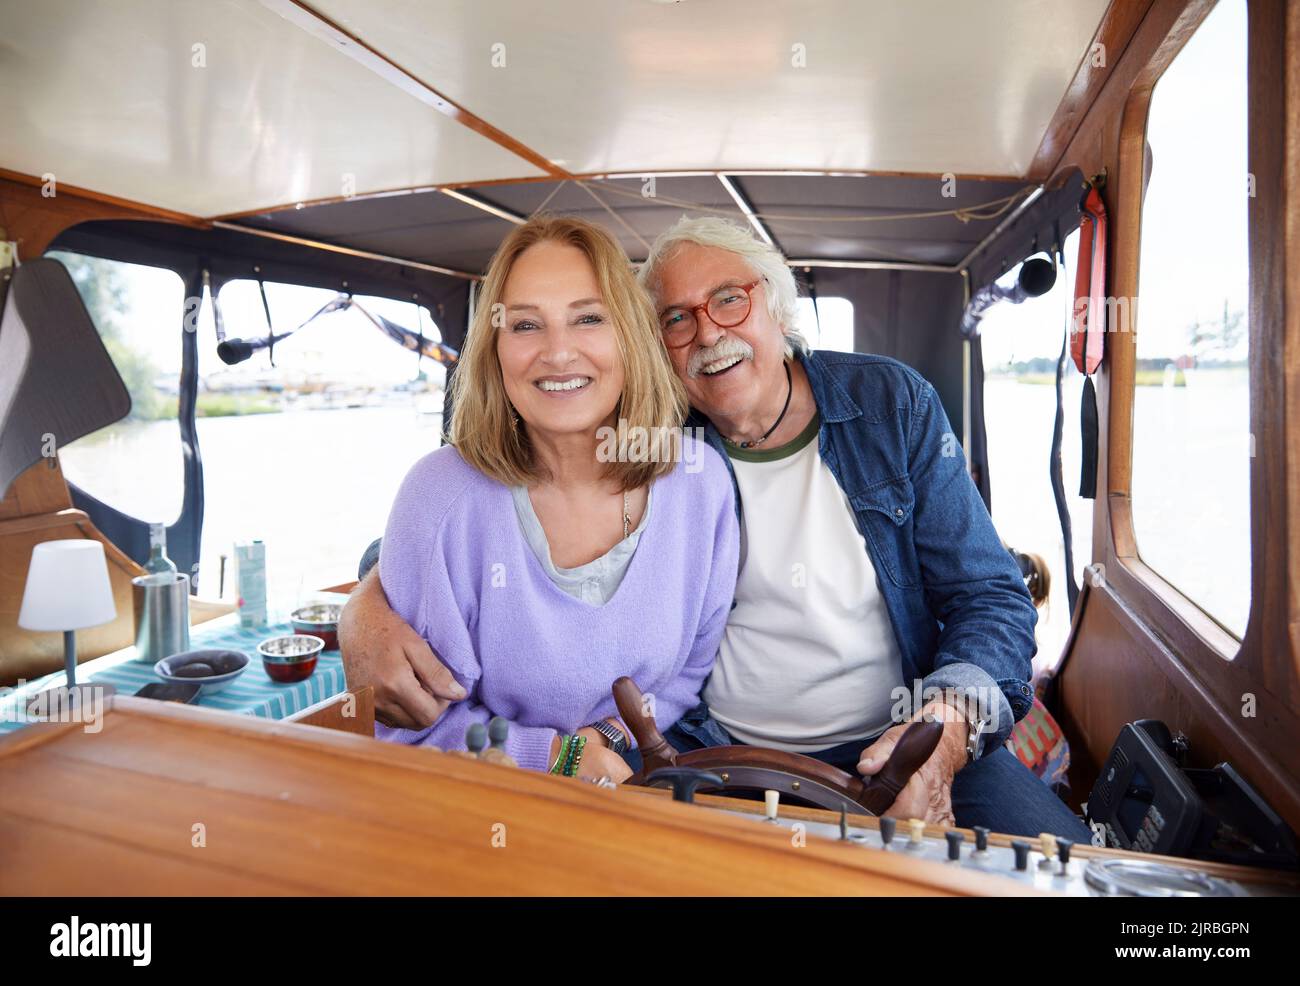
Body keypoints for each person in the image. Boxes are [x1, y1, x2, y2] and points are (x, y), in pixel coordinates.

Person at [345, 215, 1090, 841]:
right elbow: (460, 523)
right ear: (654, 346)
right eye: (675, 317)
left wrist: (948, 728)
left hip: (900, 737)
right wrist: (364, 607)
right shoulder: (662, 438)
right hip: (712, 748)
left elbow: (990, 595)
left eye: (729, 299)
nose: (708, 331)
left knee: (1078, 875)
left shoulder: (889, 404)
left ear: (777, 307)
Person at [370, 215, 738, 782]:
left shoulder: (700, 478)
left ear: (630, 336)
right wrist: (556, 757)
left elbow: (687, 674)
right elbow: (412, 728)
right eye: (525, 326)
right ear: (493, 347)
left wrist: (611, 736)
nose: (558, 352)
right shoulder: (439, 496)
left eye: (589, 318)